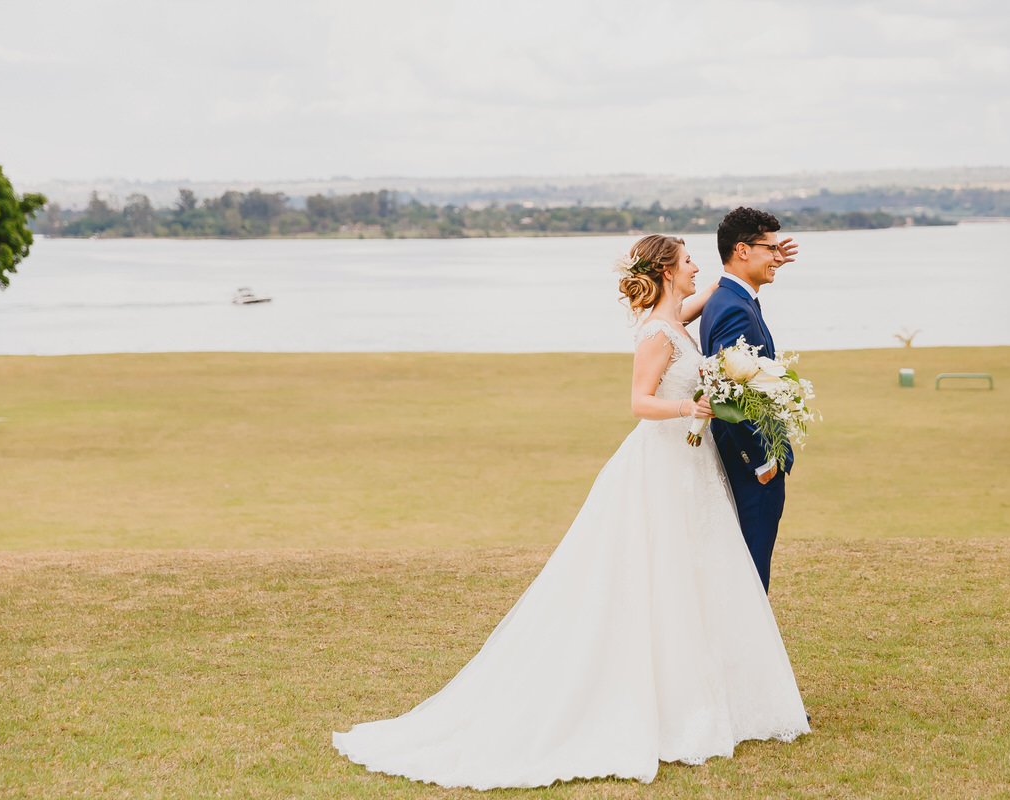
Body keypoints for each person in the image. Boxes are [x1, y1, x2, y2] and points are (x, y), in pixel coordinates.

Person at [333, 233, 810, 790]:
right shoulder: (658, 333)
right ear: (664, 272)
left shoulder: (677, 316)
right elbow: (638, 402)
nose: (694, 265)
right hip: (662, 461)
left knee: (694, 572)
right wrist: (691, 405)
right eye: (685, 261)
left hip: (690, 463)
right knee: (654, 570)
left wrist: (760, 259)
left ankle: (701, 689)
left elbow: (719, 289)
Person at [699, 208, 798, 593]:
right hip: (751, 469)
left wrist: (769, 259)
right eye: (770, 248)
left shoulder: (734, 298)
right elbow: (730, 394)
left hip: (753, 466)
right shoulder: (733, 310)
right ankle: (746, 651)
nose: (778, 256)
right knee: (751, 574)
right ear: (742, 249)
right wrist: (762, 462)